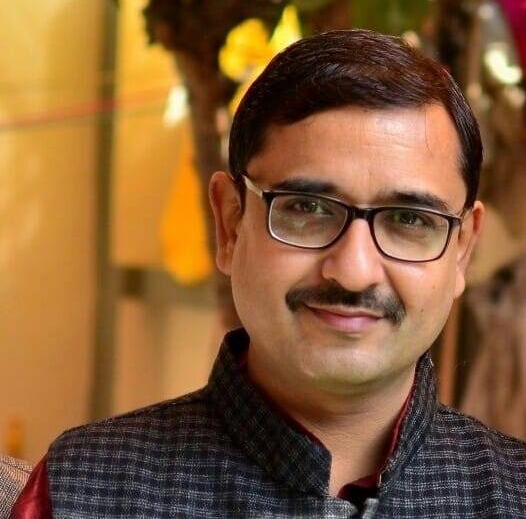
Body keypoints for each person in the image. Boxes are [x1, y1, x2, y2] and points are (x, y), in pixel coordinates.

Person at [11, 29, 526, 518]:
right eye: (307, 208)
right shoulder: (85, 491)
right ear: (230, 223)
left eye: (409, 220)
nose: (353, 272)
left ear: (462, 249)